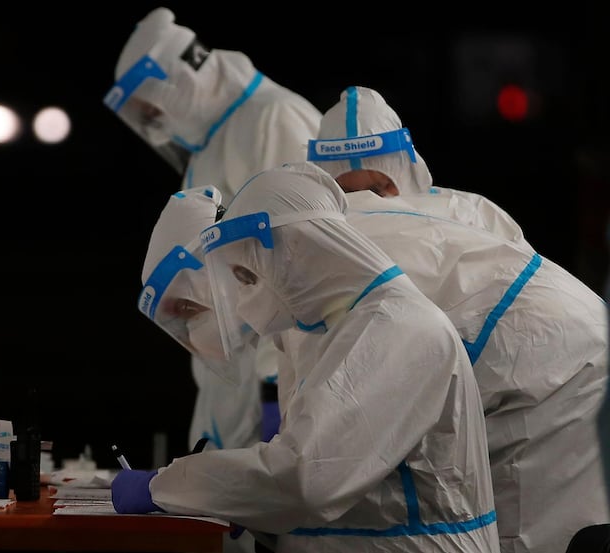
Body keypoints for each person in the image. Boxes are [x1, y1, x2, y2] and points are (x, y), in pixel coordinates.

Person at [113, 162, 500, 553]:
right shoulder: (333, 331)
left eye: (247, 276)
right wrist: (245, 505)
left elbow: (303, 479)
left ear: (299, 250)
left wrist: (164, 486)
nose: (243, 296)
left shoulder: (399, 328)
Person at [307, 85, 610, 553]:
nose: (368, 201)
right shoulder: (470, 211)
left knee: (522, 529)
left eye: (375, 186)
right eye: (352, 190)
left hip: (548, 390)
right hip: (548, 378)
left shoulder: (457, 218)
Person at [104, 7, 321, 456]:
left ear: (183, 76)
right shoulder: (210, 145)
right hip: (230, 370)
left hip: (276, 367)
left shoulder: (273, 117)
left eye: (151, 107)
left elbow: (304, 250)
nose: (155, 123)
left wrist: (273, 380)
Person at [308, 85, 532, 249]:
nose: (368, 204)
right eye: (348, 194)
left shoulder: (469, 214)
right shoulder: (310, 242)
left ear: (405, 173)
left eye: (377, 190)